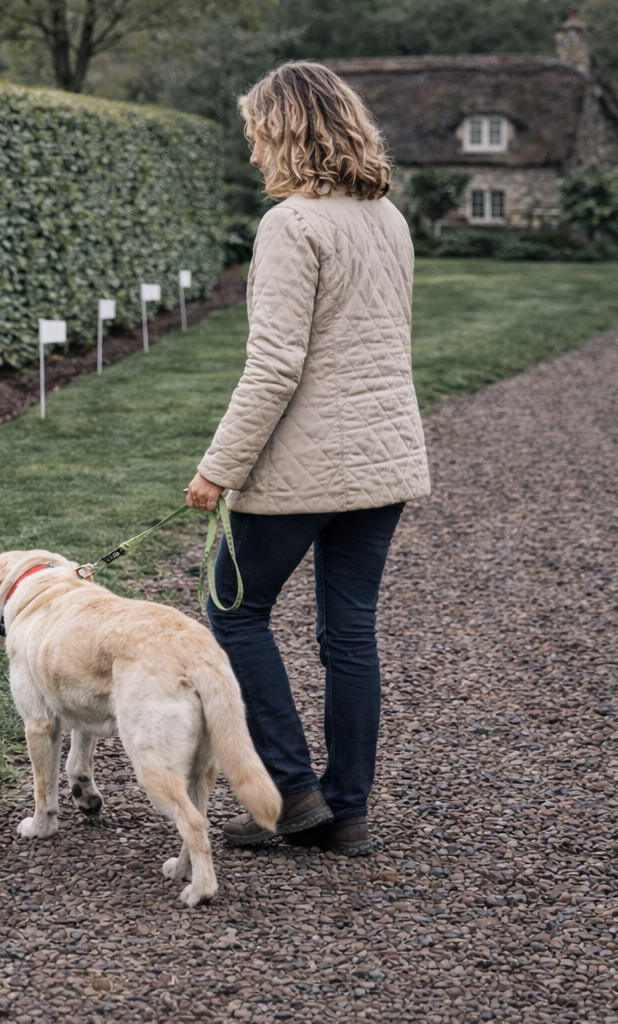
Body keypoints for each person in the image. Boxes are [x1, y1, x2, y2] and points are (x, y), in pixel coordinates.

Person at [184, 61, 430, 857]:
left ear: (288, 132)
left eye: (257, 137)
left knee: (232, 612)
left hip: (307, 468)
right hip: (383, 462)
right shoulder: (385, 216)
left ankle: (294, 796)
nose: (253, 155)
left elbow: (274, 365)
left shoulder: (292, 224)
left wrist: (218, 467)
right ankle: (346, 813)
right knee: (349, 635)